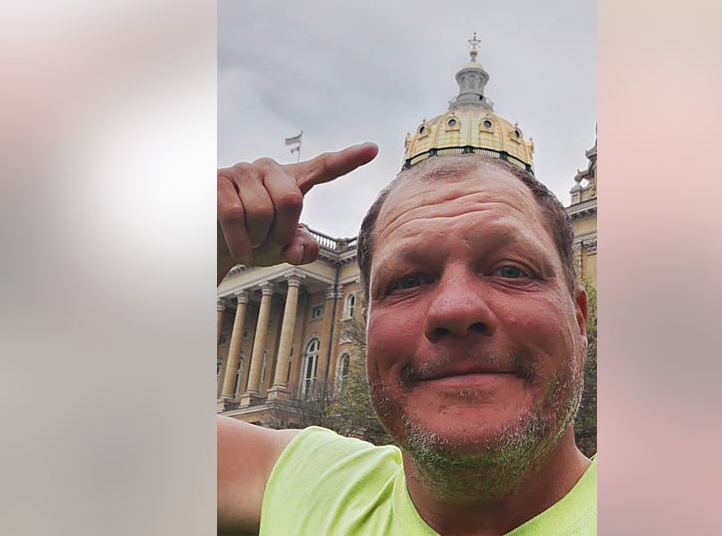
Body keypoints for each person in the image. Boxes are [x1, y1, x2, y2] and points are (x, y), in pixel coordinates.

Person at [216, 143, 596, 535]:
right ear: (367, 330)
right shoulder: (314, 486)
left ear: (580, 319)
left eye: (511, 271)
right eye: (408, 282)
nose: (455, 308)